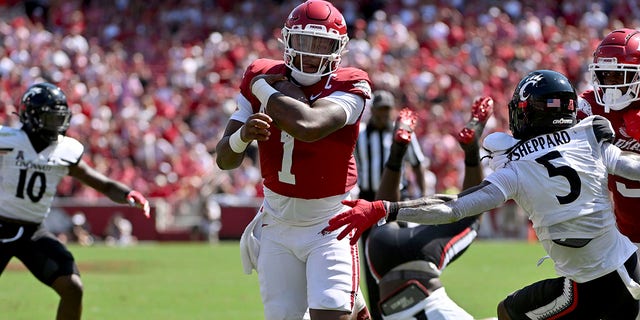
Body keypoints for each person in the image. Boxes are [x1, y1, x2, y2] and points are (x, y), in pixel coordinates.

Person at [324, 70, 640, 319]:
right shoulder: (591, 141)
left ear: (530, 112)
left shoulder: (517, 166)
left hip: (591, 285)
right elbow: (632, 168)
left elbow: (454, 209)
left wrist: (388, 209)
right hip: (630, 264)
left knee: (507, 312)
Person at [215, 1, 372, 319]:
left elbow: (308, 126)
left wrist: (265, 89)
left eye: (321, 44)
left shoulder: (350, 83)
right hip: (278, 222)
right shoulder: (261, 73)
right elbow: (224, 159)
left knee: (329, 314)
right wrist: (242, 136)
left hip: (331, 223)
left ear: (338, 48)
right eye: (303, 41)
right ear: (287, 40)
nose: (311, 53)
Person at [0, 82, 150, 320]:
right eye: (50, 118)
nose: (57, 124)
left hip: (32, 231)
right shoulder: (7, 140)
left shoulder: (65, 150)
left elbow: (101, 183)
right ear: (32, 115)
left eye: (59, 118)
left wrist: (127, 193)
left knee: (72, 287)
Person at [363, 97, 493, 320]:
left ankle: (397, 155)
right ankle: (470, 152)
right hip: (395, 252)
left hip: (385, 242)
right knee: (471, 218)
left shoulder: (361, 135)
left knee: (470, 217)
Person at [354, 90, 431, 320]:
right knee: (369, 258)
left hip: (398, 201)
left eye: (387, 110)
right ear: (373, 110)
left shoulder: (403, 133)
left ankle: (406, 307)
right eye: (380, 110)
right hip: (368, 199)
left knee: (402, 253)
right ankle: (378, 313)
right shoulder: (361, 135)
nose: (383, 114)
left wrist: (422, 196)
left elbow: (417, 165)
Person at [577, 28, 640, 249]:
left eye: (619, 75)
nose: (610, 84)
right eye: (605, 74)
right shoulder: (592, 106)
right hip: (622, 237)